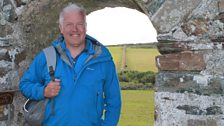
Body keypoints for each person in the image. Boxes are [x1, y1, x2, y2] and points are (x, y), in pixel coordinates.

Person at [19, 3, 121, 126]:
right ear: (61, 28)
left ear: (85, 27)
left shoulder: (103, 59)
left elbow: (114, 101)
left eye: (79, 24)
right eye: (69, 24)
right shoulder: (47, 56)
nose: (75, 29)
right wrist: (43, 91)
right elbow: (25, 85)